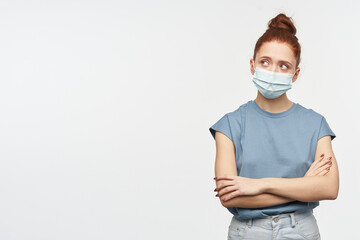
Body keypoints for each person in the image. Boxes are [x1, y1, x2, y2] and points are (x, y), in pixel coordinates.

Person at [209, 13, 338, 240]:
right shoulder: (229, 125)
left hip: (301, 231)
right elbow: (229, 196)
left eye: (284, 65)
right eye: (265, 62)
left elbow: (329, 189)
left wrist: (259, 185)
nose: (272, 71)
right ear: (252, 65)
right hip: (247, 232)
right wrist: (304, 186)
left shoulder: (315, 124)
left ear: (295, 74)